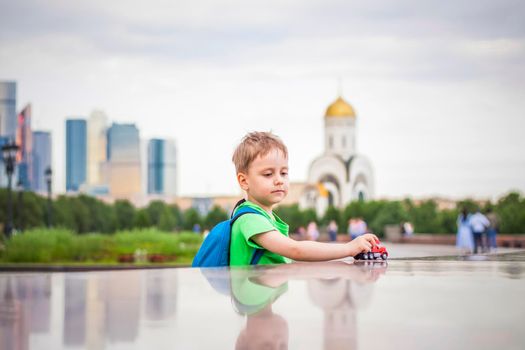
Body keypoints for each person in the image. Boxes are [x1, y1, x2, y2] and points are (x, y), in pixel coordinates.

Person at [229, 131, 378, 266]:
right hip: (252, 295)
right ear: (244, 181)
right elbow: (295, 250)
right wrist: (349, 248)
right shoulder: (250, 219)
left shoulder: (263, 217)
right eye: (268, 174)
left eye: (283, 173)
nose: (279, 180)